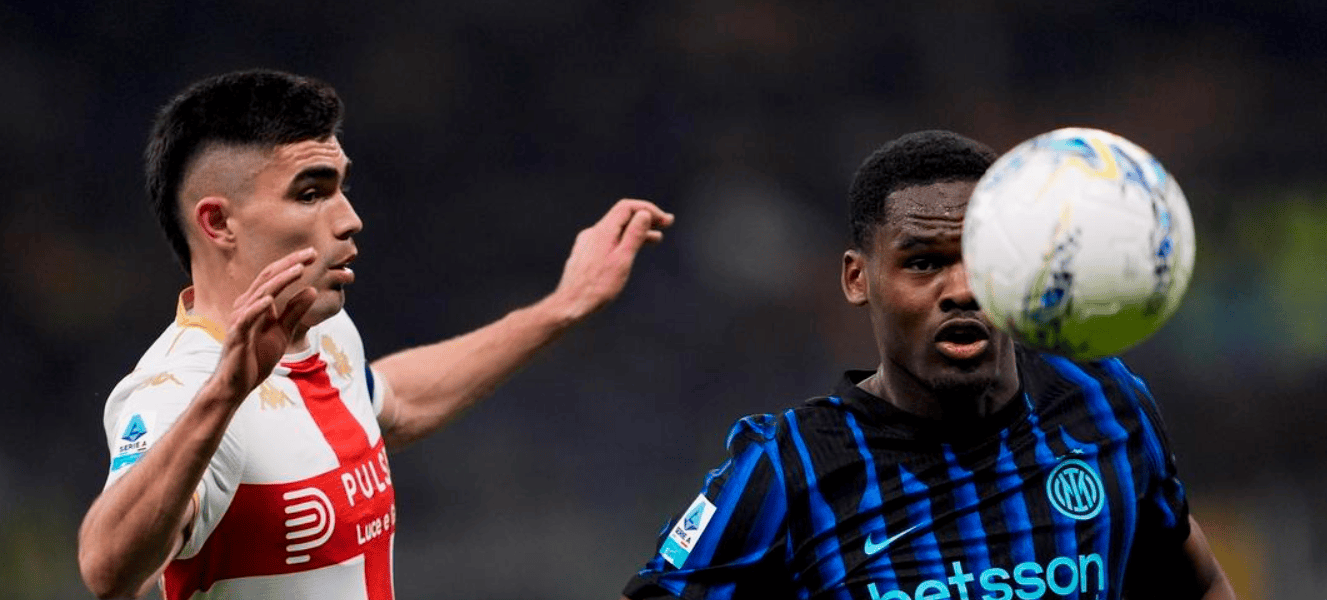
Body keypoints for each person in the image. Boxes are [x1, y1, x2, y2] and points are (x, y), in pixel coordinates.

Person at [77, 69, 673, 600]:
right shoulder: (180, 387)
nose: (349, 218)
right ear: (218, 222)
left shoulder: (325, 329)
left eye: (342, 187)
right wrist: (222, 397)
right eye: (310, 193)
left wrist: (562, 307)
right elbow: (109, 572)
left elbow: (393, 399)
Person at [619, 131, 1234, 600]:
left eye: (982, 256)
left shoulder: (1101, 401)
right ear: (858, 279)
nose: (961, 289)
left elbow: (1198, 581)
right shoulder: (792, 465)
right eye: (923, 263)